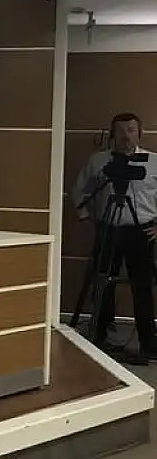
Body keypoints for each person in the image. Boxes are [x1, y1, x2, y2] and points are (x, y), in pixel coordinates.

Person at [70, 112, 157, 359]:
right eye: (120, 131)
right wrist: (85, 220)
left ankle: (148, 341)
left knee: (143, 286)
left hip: (142, 232)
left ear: (139, 134)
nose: (125, 136)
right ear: (112, 135)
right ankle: (99, 334)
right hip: (108, 229)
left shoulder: (153, 162)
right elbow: (79, 192)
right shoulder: (99, 161)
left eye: (131, 130)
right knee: (102, 283)